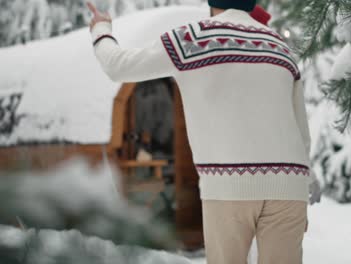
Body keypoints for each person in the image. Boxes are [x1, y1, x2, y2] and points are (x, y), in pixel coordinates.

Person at [87, 1, 321, 263]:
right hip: (289, 188)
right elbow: (302, 129)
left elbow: (118, 65)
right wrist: (304, 183)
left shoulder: (192, 39)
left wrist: (101, 30)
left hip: (228, 187)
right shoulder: (281, 47)